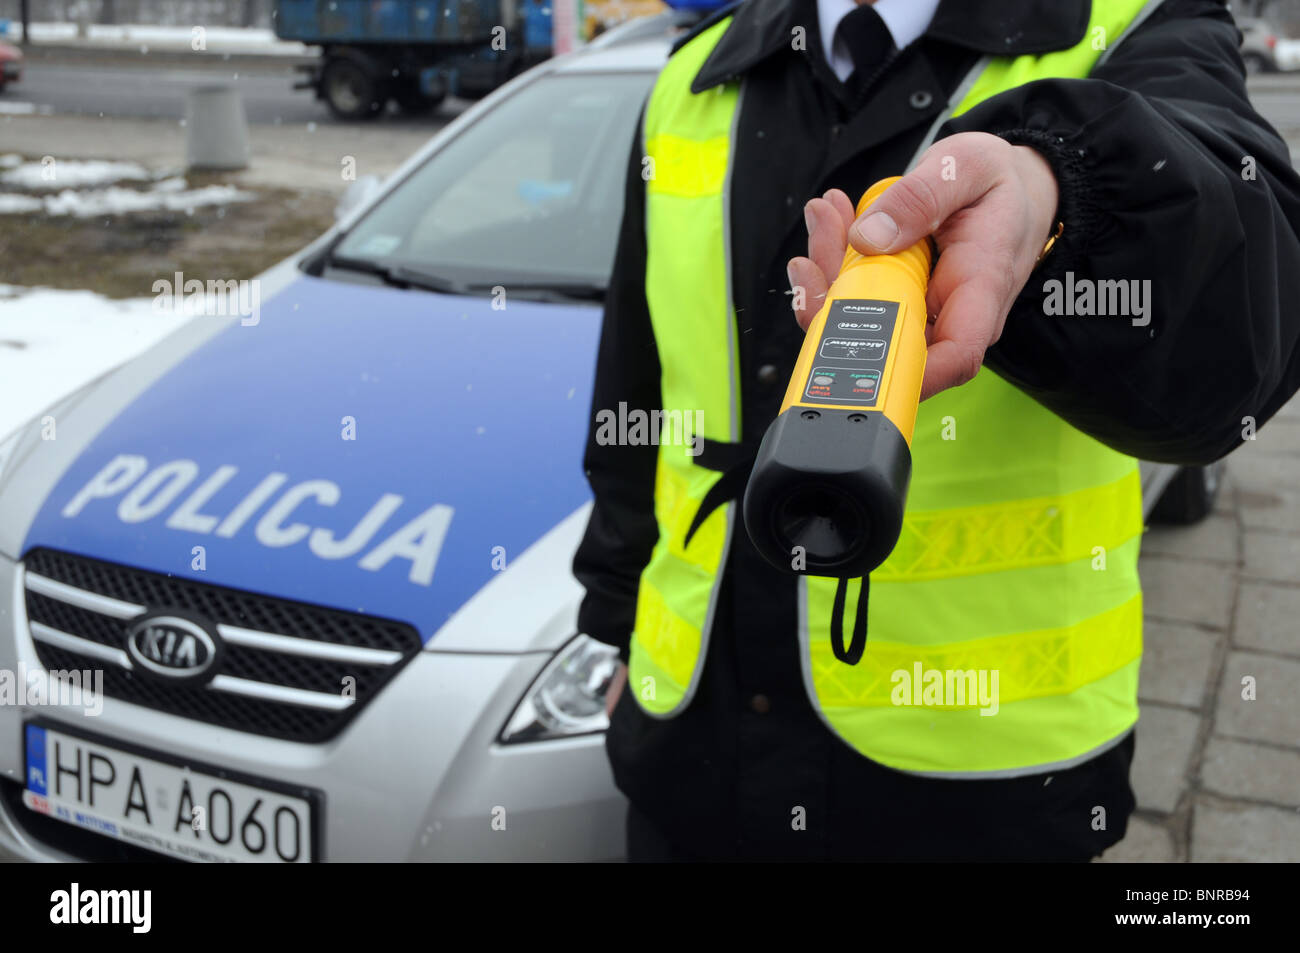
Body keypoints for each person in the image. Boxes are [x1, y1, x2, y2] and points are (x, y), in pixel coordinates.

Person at [574, 0, 1300, 861]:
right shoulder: (693, 77)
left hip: (980, 788)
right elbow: (636, 390)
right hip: (690, 754)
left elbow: (1241, 341)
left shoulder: (1136, 24)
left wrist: (1056, 186)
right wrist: (616, 629)